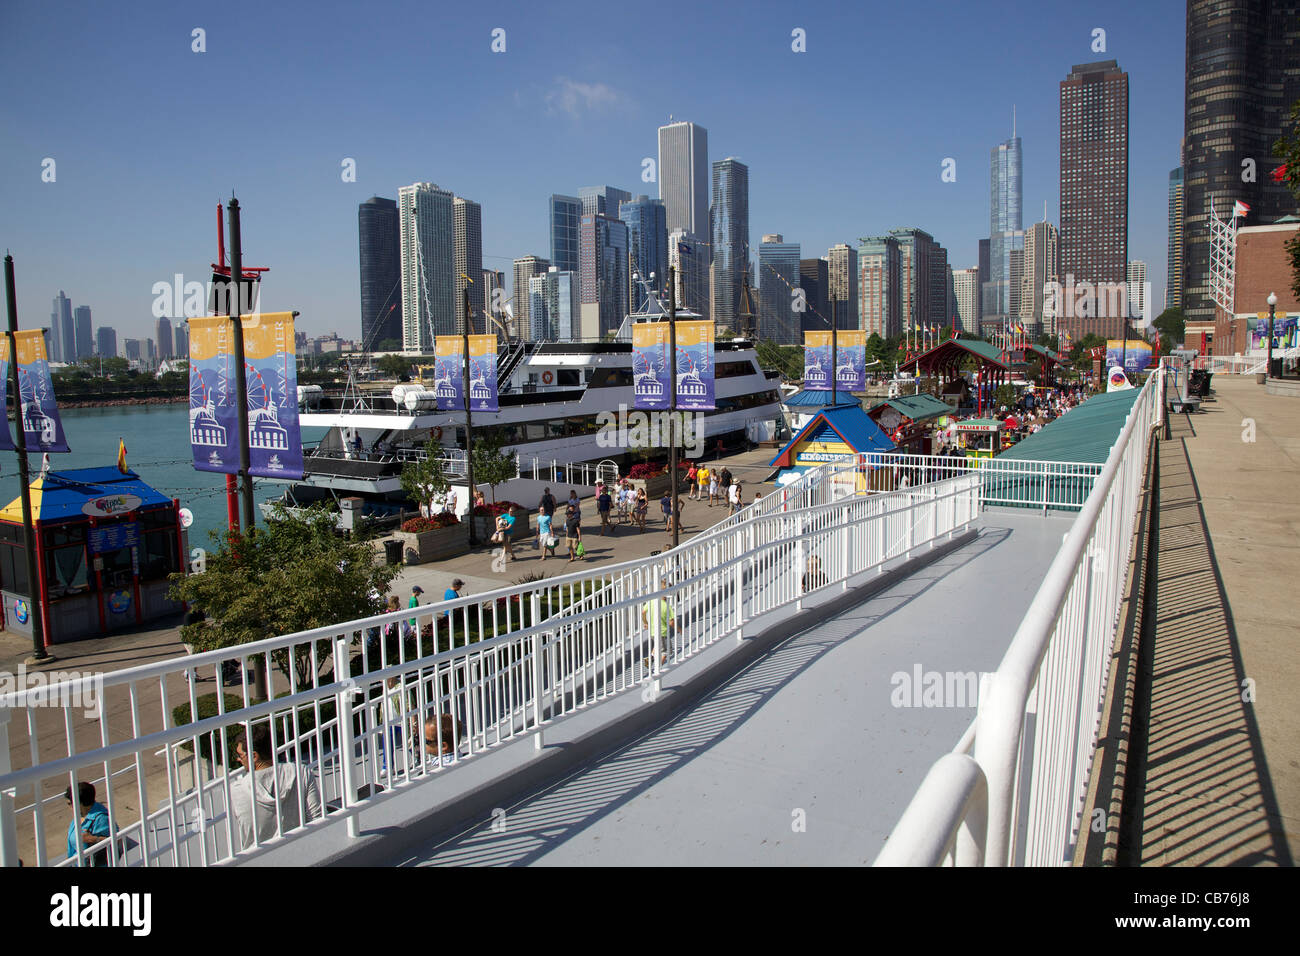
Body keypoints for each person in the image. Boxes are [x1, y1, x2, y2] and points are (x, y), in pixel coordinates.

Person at [230, 723, 322, 850]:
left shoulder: (237, 789)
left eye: (240, 755)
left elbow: (247, 833)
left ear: (254, 756)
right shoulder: (301, 772)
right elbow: (317, 819)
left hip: (257, 859)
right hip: (301, 853)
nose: (238, 760)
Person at [65, 782, 114, 866]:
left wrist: (93, 839)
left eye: (69, 804)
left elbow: (116, 841)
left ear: (79, 803)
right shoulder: (80, 814)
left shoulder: (101, 819)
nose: (68, 807)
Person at [641, 587, 676, 666]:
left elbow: (643, 612)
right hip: (662, 632)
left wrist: (645, 622)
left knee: (658, 644)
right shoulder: (666, 606)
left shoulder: (651, 601)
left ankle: (650, 658)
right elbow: (671, 622)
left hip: (653, 631)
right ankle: (658, 667)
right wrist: (679, 629)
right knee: (666, 651)